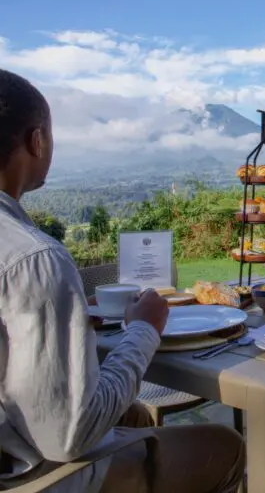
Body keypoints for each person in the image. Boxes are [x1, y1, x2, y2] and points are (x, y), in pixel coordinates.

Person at [0, 69, 246, 492]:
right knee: (226, 445)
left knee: (134, 414)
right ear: (37, 141)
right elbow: (68, 436)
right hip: (37, 477)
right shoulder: (34, 259)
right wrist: (144, 328)